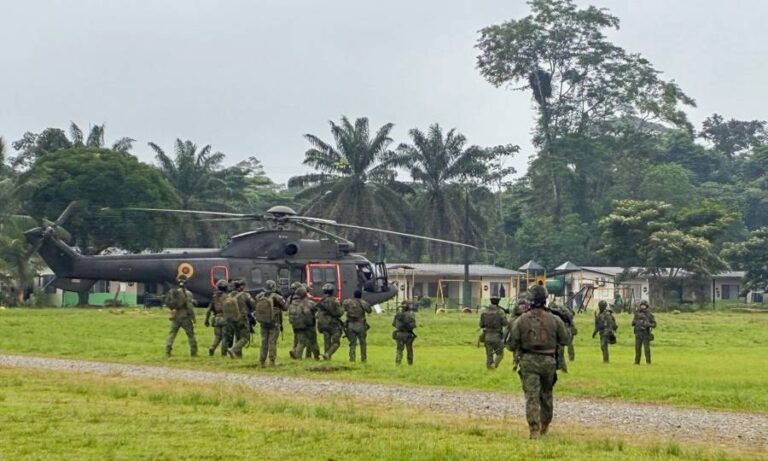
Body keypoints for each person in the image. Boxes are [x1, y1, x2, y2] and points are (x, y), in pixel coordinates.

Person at [508, 284, 569, 439]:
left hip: (529, 361)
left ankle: (534, 430)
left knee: (532, 397)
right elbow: (565, 340)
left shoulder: (521, 320)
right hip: (549, 361)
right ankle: (545, 425)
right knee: (547, 394)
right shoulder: (555, 319)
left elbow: (511, 344)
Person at [254, 279, 287, 367]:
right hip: (274, 322)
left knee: (264, 342)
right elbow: (285, 307)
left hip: (263, 322)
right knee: (272, 342)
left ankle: (261, 362)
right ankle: (272, 362)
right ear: (273, 287)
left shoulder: (260, 296)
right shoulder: (277, 297)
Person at [164, 275, 198, 357]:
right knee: (190, 335)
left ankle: (167, 350)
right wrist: (193, 318)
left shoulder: (173, 292)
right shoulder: (188, 293)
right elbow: (190, 307)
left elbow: (168, 303)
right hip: (185, 317)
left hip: (175, 316)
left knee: (172, 334)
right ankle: (193, 352)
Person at [287, 285, 320, 360]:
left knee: (301, 342)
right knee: (313, 341)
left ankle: (298, 357)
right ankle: (316, 356)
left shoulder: (293, 304)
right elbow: (316, 308)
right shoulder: (309, 303)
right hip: (309, 325)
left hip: (297, 326)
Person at [316, 283, 344, 360]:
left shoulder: (321, 301)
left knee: (326, 340)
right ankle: (328, 354)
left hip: (322, 324)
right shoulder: (334, 300)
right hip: (333, 324)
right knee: (336, 342)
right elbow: (339, 313)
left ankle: (327, 357)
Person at [343, 289, 373, 362]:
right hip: (360, 325)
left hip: (350, 325)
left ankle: (352, 358)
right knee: (362, 343)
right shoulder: (363, 302)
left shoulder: (348, 302)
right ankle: (363, 359)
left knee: (352, 343)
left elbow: (344, 309)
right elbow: (369, 310)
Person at [479, 296, 509, 369]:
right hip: (497, 336)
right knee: (500, 354)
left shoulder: (484, 311)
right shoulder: (500, 311)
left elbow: (481, 324)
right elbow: (505, 323)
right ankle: (494, 365)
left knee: (489, 355)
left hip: (487, 336)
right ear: (498, 302)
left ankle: (489, 370)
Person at [228, 279, 255, 358]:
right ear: (241, 286)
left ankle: (238, 356)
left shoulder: (229, 295)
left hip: (232, 319)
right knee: (245, 338)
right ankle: (233, 349)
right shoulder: (245, 295)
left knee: (238, 337)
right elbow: (253, 304)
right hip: (242, 319)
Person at [204, 279, 229, 356]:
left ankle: (212, 347)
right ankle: (223, 354)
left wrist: (206, 320)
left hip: (216, 319)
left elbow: (208, 310)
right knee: (225, 337)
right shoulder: (227, 297)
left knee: (217, 336)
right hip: (225, 318)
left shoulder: (214, 297)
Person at [632, 300, 657, 364]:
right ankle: (637, 361)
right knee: (637, 348)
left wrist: (649, 325)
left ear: (646, 306)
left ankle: (648, 361)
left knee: (647, 349)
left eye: (644, 305)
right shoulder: (637, 313)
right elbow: (633, 322)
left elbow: (654, 324)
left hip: (645, 333)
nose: (642, 307)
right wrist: (636, 322)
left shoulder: (649, 314)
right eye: (641, 305)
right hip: (638, 333)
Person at [392, 300, 417, 365]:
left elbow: (393, 324)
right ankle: (410, 363)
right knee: (409, 349)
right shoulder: (411, 314)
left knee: (399, 350)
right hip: (408, 334)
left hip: (399, 334)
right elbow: (413, 325)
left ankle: (398, 363)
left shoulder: (397, 314)